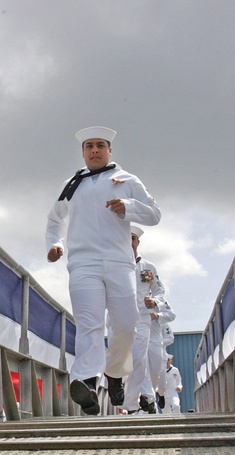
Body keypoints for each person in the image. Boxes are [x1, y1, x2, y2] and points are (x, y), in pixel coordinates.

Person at [46, 126, 160, 415]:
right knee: (89, 323)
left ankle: (114, 373)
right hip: (83, 262)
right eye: (88, 146)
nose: (94, 150)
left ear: (110, 150)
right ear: (83, 152)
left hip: (119, 261)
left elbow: (154, 214)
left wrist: (128, 207)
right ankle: (84, 380)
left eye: (99, 145)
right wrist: (55, 243)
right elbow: (55, 219)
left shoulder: (126, 180)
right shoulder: (73, 184)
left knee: (126, 325)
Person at [124, 226, 170, 414]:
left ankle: (134, 403)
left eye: (133, 238)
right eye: (126, 237)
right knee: (120, 358)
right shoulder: (114, 263)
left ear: (138, 241)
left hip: (142, 316)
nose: (130, 241)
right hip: (119, 316)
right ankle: (141, 397)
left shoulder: (148, 267)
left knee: (139, 358)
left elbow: (159, 291)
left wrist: (155, 302)